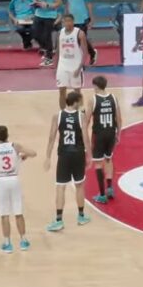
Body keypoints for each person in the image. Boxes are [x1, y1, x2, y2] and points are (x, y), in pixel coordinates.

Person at [0, 125, 36, 253]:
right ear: (7, 135)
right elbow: (33, 153)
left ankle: (7, 243)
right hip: (14, 180)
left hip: (1, 181)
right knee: (18, 212)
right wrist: (22, 156)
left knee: (4, 214)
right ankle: (23, 241)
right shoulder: (15, 146)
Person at [43, 91, 92, 232]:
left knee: (60, 187)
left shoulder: (57, 116)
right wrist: (89, 155)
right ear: (75, 102)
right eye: (80, 100)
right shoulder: (81, 116)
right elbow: (86, 138)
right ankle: (81, 216)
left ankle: (58, 220)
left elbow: (51, 137)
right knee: (79, 185)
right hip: (78, 154)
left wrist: (47, 156)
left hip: (64, 155)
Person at [87, 75, 121, 204]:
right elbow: (119, 119)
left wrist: (85, 137)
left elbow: (87, 120)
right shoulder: (113, 98)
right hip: (111, 133)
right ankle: (110, 187)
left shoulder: (94, 100)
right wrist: (119, 134)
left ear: (96, 86)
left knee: (98, 164)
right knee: (108, 159)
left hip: (99, 134)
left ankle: (102, 194)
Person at [54, 13, 88, 108]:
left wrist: (80, 67)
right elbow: (57, 50)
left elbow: (85, 52)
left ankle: (79, 112)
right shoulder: (60, 33)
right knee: (61, 90)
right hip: (63, 65)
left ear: (73, 22)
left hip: (75, 65)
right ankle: (63, 113)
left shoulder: (79, 33)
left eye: (70, 21)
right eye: (66, 21)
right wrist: (55, 67)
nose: (68, 23)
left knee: (77, 92)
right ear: (63, 22)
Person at [64, 0, 97, 65]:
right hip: (72, 20)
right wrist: (66, 16)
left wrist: (92, 19)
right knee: (74, 39)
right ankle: (88, 53)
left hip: (82, 19)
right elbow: (67, 5)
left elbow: (89, 5)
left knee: (82, 39)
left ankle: (91, 54)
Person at [33, 0, 62, 67]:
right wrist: (35, 3)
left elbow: (58, 3)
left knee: (46, 36)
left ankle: (49, 58)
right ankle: (48, 50)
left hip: (50, 15)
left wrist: (48, 5)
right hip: (39, 13)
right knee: (35, 34)